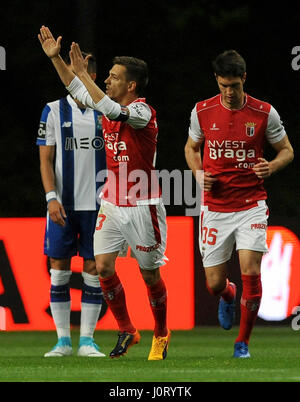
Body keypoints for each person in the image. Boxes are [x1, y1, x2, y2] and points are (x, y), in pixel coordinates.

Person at [38, 26, 170, 360]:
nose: (107, 80)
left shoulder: (143, 112)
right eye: (106, 77)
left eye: (113, 77)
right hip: (111, 201)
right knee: (103, 266)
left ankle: (161, 332)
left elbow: (110, 108)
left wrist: (84, 74)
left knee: (149, 273)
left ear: (131, 86)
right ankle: (127, 329)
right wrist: (58, 61)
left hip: (143, 204)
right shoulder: (103, 103)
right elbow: (76, 88)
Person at [185, 50, 294, 358]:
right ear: (216, 82)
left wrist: (271, 166)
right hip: (215, 207)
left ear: (244, 79)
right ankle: (228, 296)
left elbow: (287, 150)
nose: (229, 93)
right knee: (214, 284)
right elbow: (191, 148)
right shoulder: (202, 111)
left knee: (251, 270)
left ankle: (242, 343)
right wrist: (198, 172)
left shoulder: (263, 113)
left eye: (234, 85)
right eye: (223, 86)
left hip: (251, 204)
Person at [37, 50, 107, 357]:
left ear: (91, 76)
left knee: (94, 268)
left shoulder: (106, 112)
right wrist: (51, 197)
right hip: (63, 204)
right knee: (59, 269)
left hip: (99, 206)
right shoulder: (52, 110)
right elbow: (45, 159)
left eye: (77, 72)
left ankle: (87, 340)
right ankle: (63, 341)